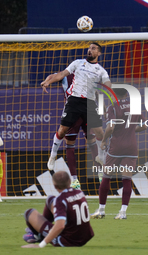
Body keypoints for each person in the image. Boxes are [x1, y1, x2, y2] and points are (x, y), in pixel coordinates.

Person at [41, 42, 111, 173]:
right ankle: (52, 155)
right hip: (74, 100)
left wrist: (109, 91)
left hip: (89, 104)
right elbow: (61, 74)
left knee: (100, 133)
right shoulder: (77, 63)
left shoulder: (101, 70)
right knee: (62, 131)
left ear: (99, 53)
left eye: (93, 48)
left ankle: (101, 158)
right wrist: (48, 82)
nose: (90, 50)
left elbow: (107, 84)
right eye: (89, 48)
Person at [91, 88, 146, 219]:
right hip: (132, 147)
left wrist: (104, 141)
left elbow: (110, 127)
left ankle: (101, 210)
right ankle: (122, 212)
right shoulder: (135, 107)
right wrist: (131, 131)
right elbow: (144, 126)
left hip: (116, 147)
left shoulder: (113, 107)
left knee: (106, 176)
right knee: (127, 179)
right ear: (127, 94)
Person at [22, 171, 94, 248]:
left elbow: (60, 226)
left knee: (29, 213)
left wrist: (41, 245)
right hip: (86, 236)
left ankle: (39, 236)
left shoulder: (60, 200)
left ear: (55, 186)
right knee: (50, 199)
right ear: (70, 182)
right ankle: (41, 233)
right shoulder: (79, 192)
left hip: (68, 241)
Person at [61, 75, 102, 189]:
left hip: (75, 113)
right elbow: (96, 94)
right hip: (81, 113)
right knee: (91, 141)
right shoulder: (87, 75)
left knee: (74, 143)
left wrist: (47, 81)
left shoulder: (67, 76)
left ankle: (75, 179)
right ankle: (99, 173)